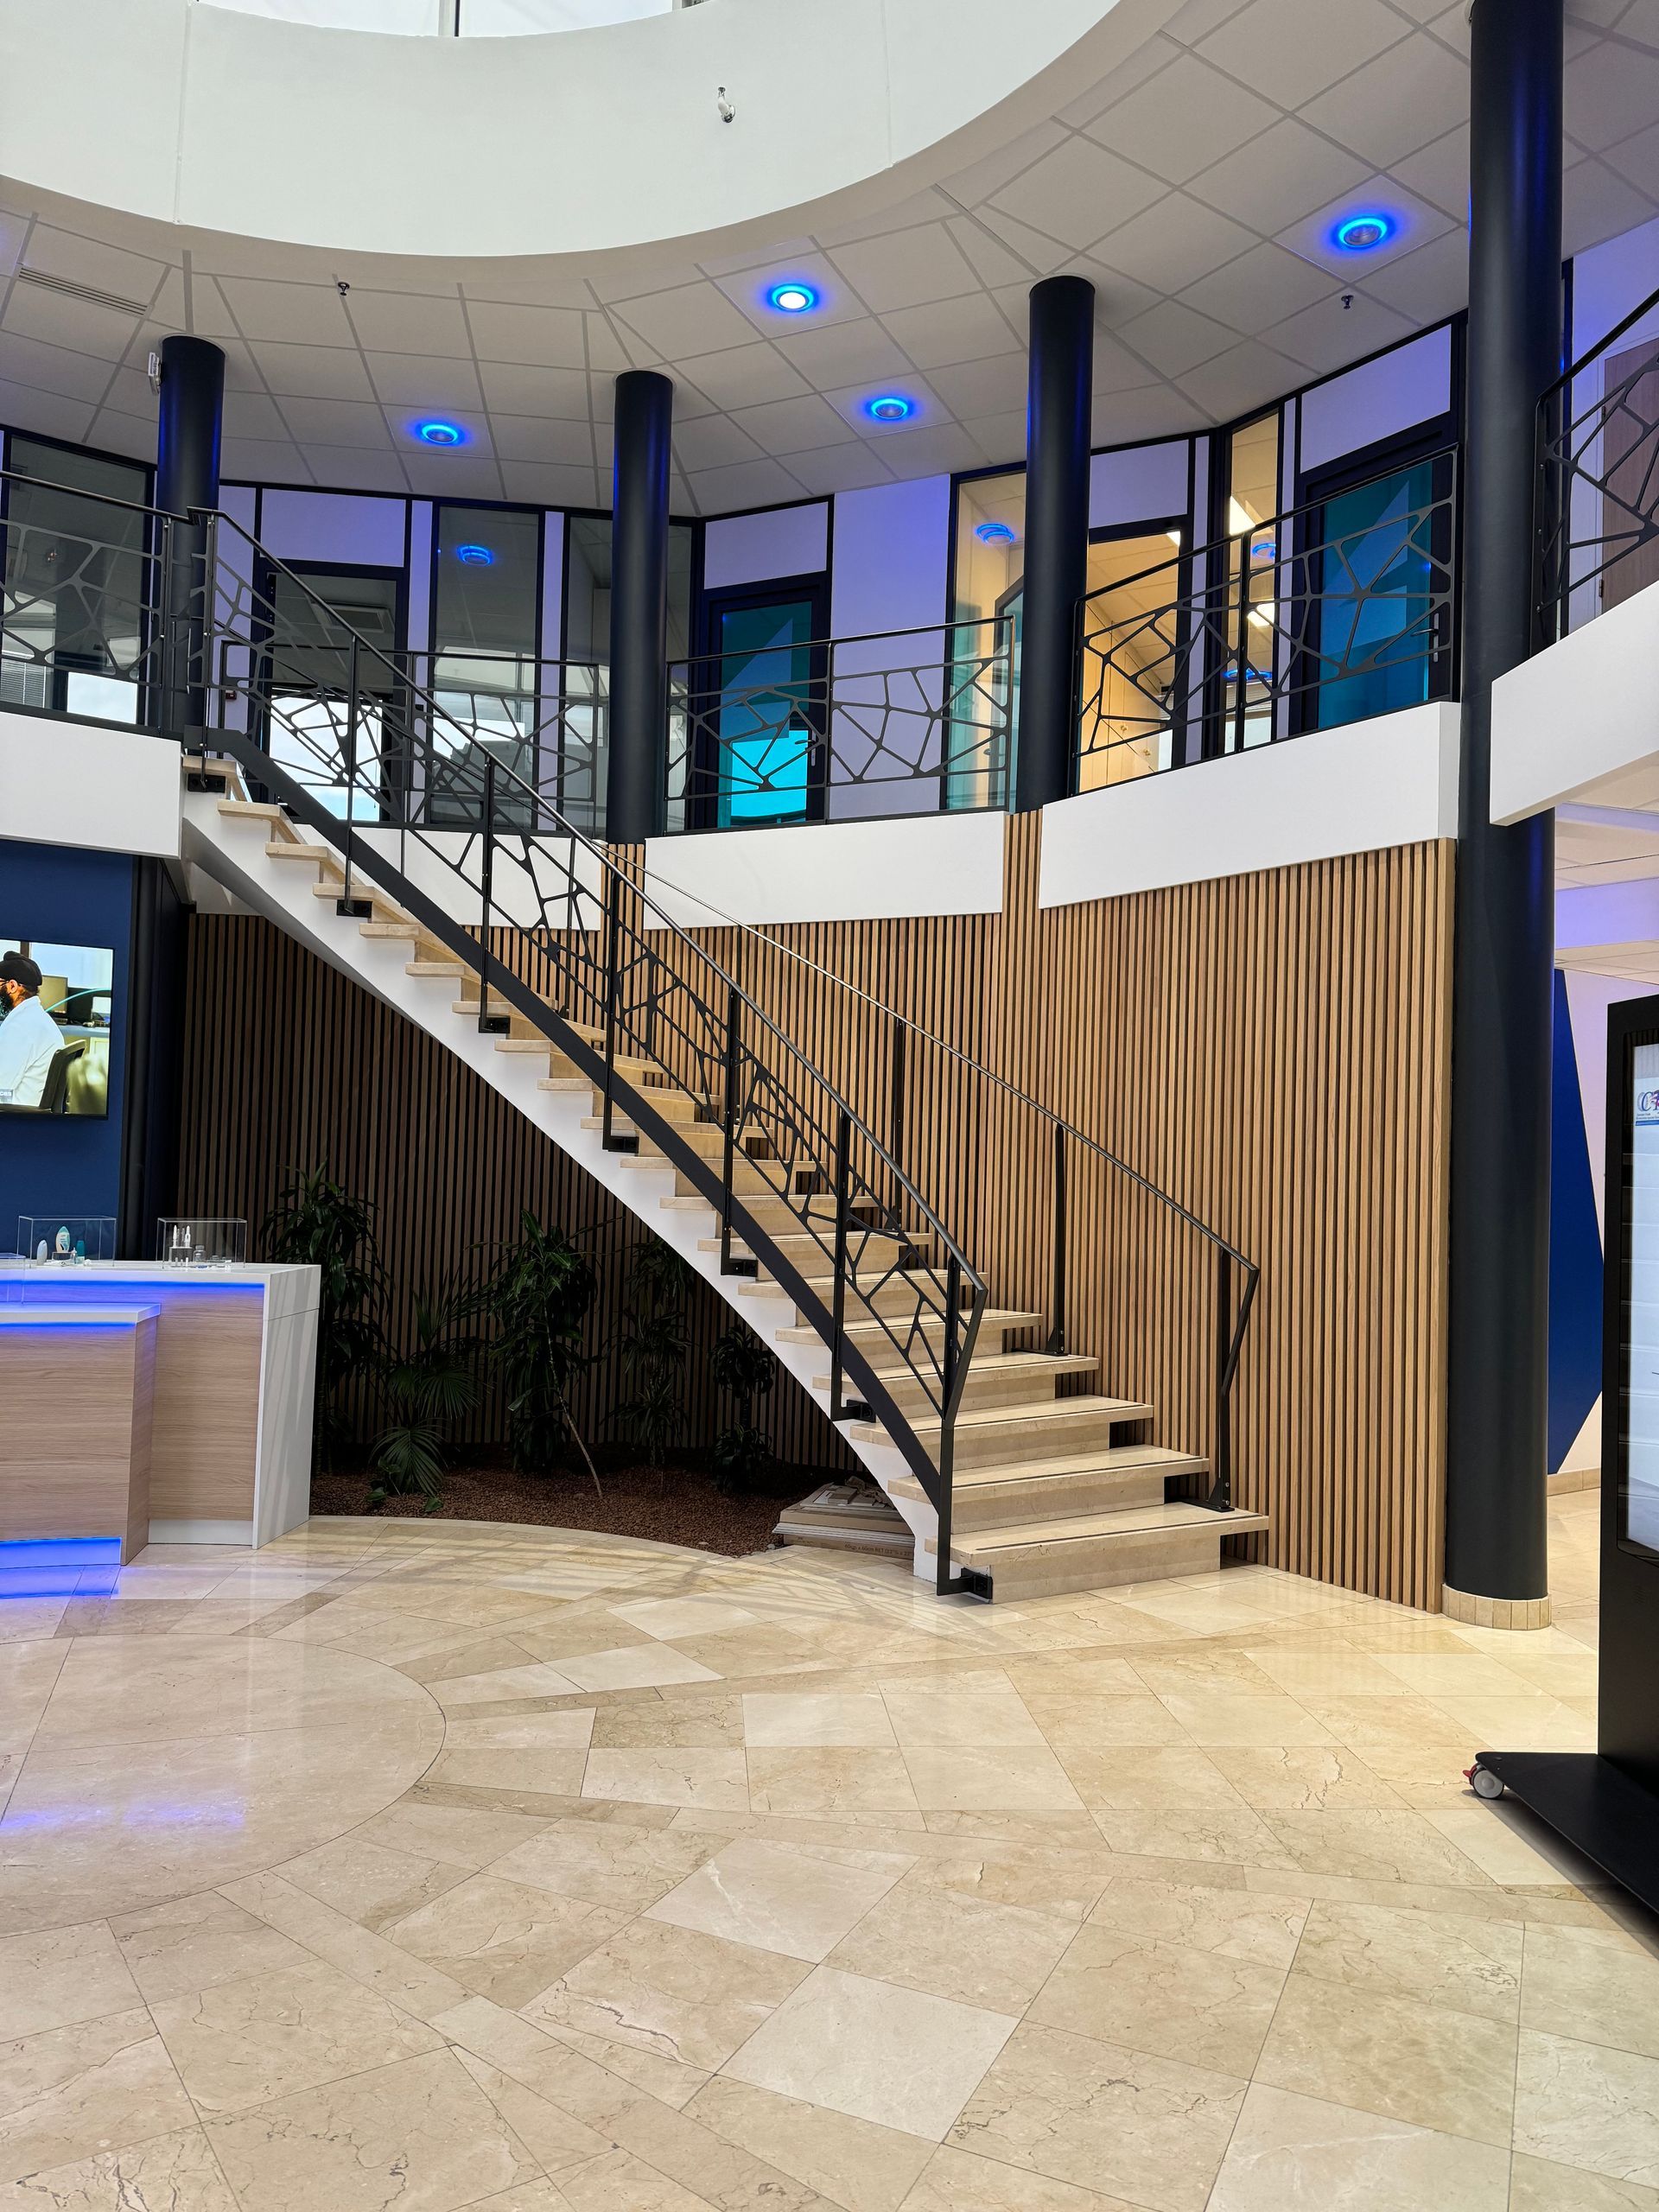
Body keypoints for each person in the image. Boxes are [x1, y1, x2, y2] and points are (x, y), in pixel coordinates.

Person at [0, 952, 61, 1109]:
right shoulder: (36, 1017)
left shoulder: (20, 1027)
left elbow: (2, 1086)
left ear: (12, 986)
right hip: (27, 1106)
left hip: (15, 1112)